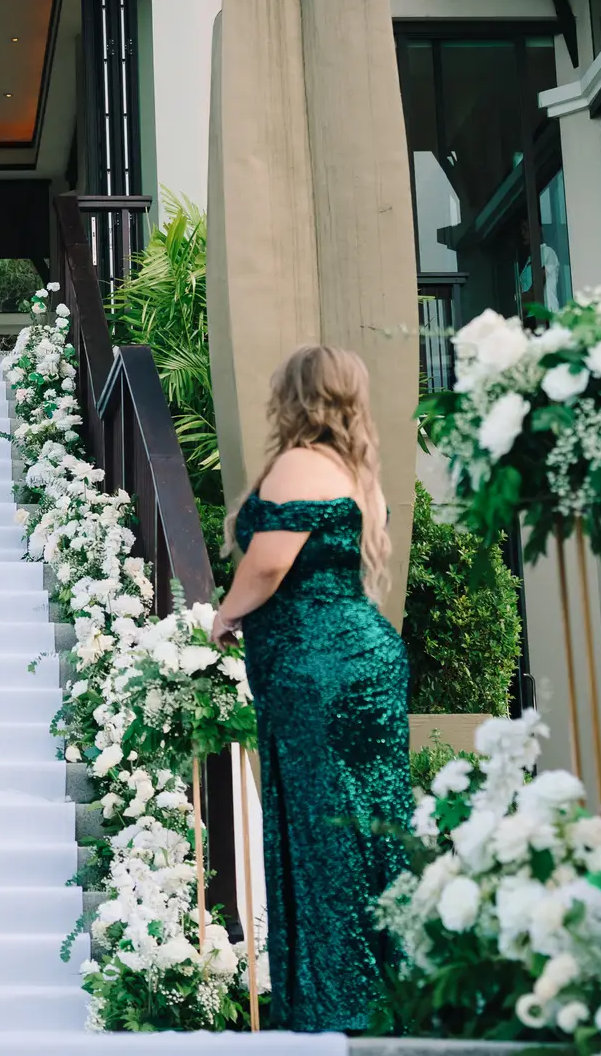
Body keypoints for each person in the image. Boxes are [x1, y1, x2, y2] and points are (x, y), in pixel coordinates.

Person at [209, 343, 408, 1034]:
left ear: (294, 396)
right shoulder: (357, 472)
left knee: (324, 830)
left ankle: (339, 1008)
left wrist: (224, 614)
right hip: (358, 662)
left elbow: (267, 565)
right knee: (367, 825)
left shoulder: (299, 463)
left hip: (319, 671)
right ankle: (384, 998)